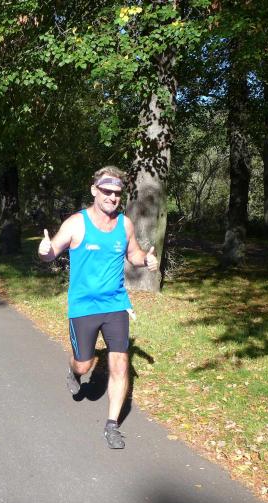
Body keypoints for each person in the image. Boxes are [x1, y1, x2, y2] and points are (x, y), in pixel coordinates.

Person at [38, 166, 158, 449]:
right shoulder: (76, 224)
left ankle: (112, 425)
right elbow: (51, 252)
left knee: (120, 362)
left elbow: (134, 254)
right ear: (94, 190)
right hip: (83, 306)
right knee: (84, 363)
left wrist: (146, 260)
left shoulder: (124, 225)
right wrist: (44, 251)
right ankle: (74, 371)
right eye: (106, 191)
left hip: (115, 304)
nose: (112, 197)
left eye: (117, 193)